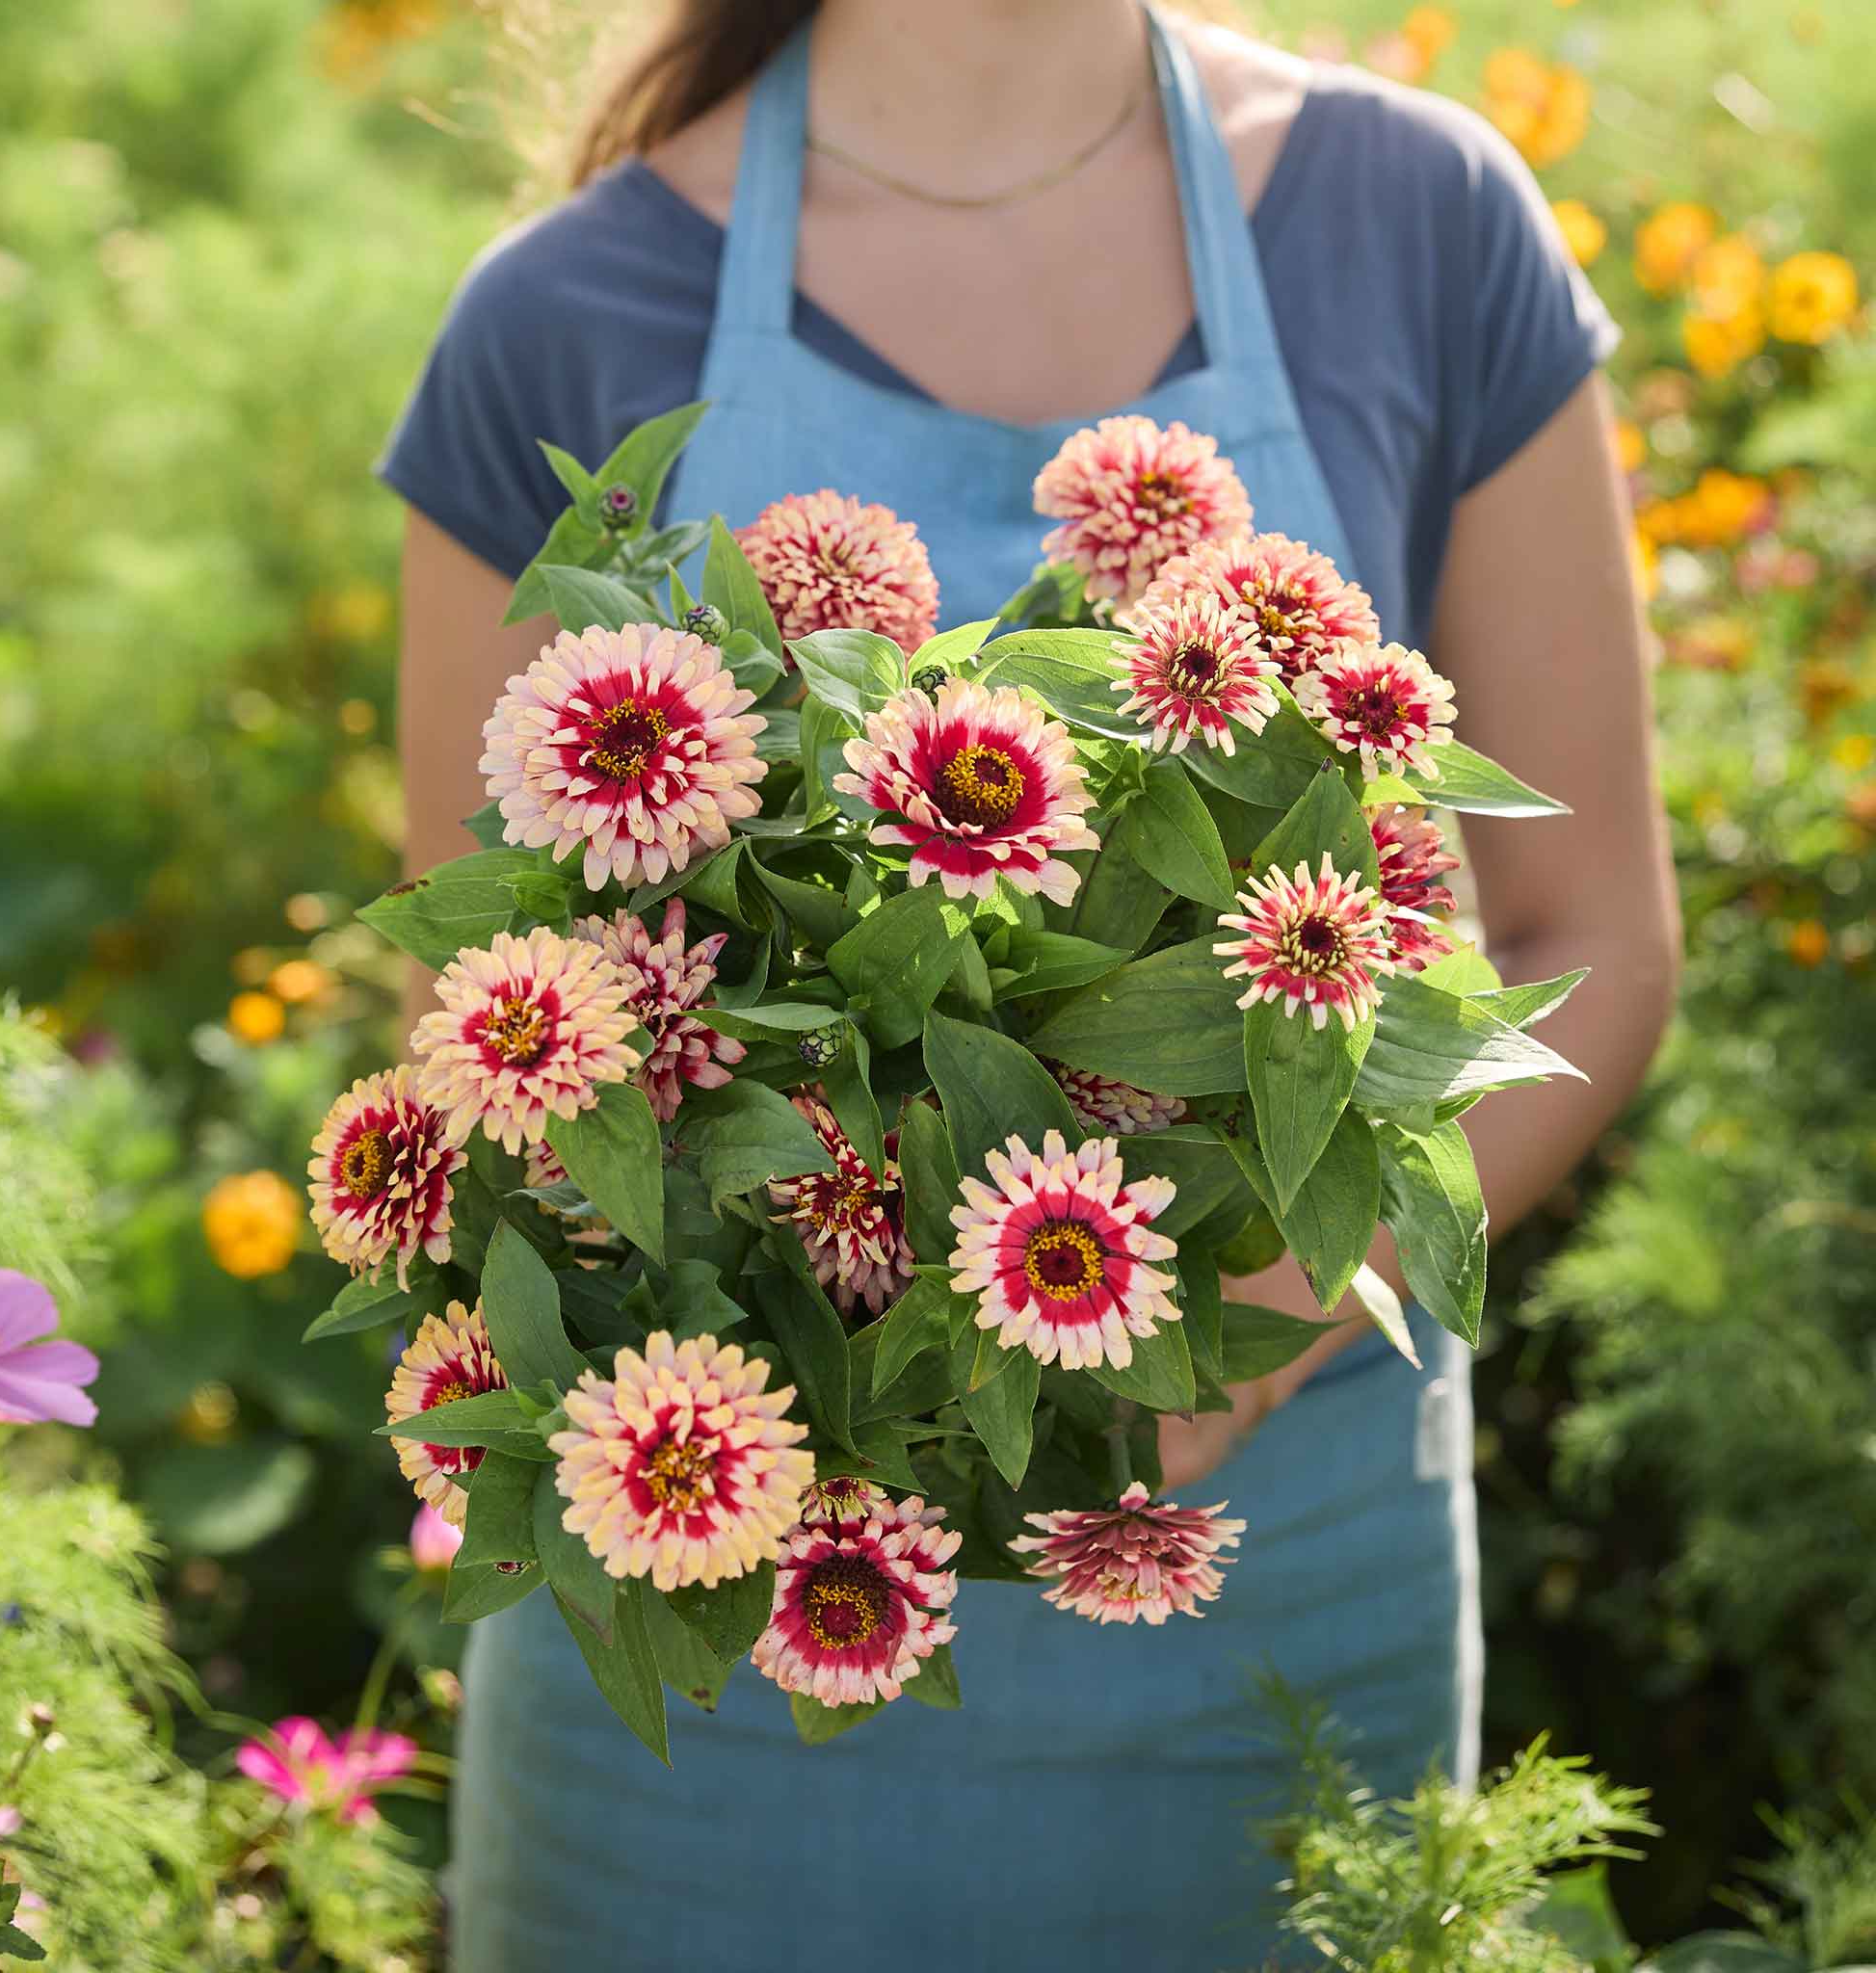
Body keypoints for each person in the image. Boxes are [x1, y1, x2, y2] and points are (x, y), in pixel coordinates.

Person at [380, 3, 1679, 1965]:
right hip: (706, 1623)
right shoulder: (561, 309)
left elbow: (1592, 934)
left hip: (1278, 1591)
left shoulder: (1413, 219)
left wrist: (1274, 1296)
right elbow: (482, 1021)